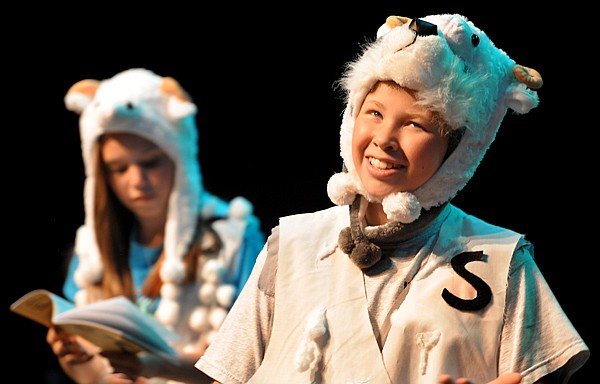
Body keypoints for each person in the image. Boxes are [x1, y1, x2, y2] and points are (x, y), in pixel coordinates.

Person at [194, 13, 590, 384]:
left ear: (457, 148)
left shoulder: (500, 260)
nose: (384, 139)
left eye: (414, 123)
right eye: (374, 113)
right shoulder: (292, 245)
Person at [46, 68, 265, 384]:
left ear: (179, 157)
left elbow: (253, 357)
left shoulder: (232, 239)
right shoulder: (92, 252)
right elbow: (94, 373)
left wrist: (160, 365)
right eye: (119, 168)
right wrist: (82, 367)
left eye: (150, 162)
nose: (137, 181)